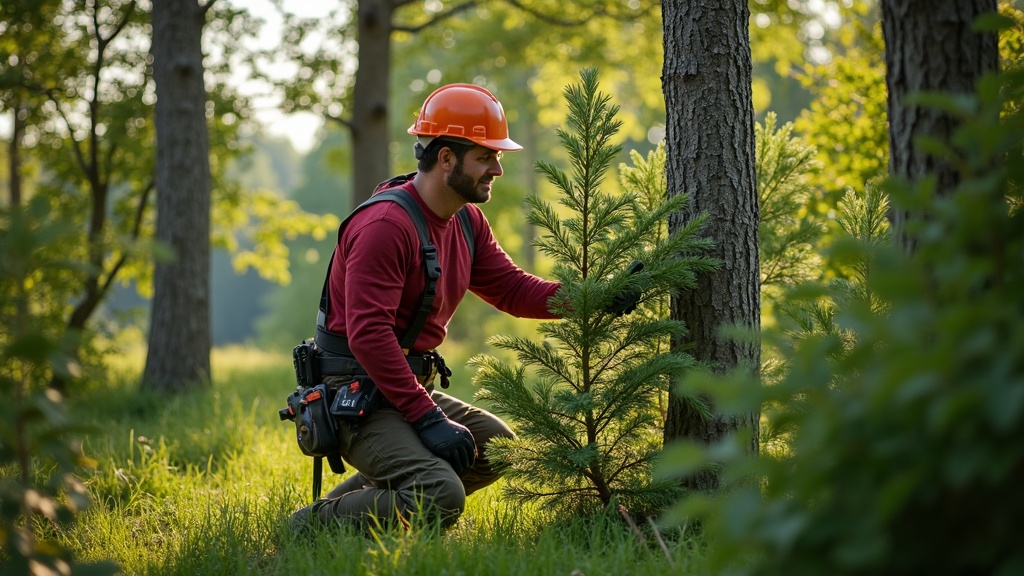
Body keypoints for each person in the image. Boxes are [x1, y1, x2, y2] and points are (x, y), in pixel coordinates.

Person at [290, 83, 561, 531]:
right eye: (486, 157)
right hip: (356, 390)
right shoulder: (385, 226)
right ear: (446, 158)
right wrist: (428, 417)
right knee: (439, 493)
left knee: (498, 448)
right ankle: (307, 527)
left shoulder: (468, 220)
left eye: (498, 157)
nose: (497, 169)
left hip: (403, 385)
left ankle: (371, 492)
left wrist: (597, 298)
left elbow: (513, 290)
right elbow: (369, 336)